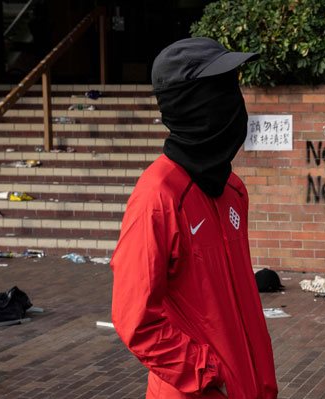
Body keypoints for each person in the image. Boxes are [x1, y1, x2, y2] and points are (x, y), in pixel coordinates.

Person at [110, 37, 278, 399]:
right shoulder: (157, 197)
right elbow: (135, 319)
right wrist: (206, 373)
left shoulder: (232, 189)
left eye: (233, 86)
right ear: (190, 105)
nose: (235, 102)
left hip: (250, 383)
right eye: (219, 89)